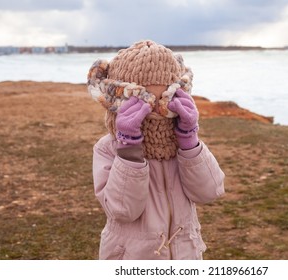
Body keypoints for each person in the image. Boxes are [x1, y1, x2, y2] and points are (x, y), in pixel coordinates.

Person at [87, 40, 225, 260]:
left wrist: (189, 141)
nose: (158, 112)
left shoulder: (181, 144)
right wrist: (129, 150)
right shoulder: (108, 149)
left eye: (166, 100)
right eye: (145, 101)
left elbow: (209, 191)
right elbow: (122, 211)